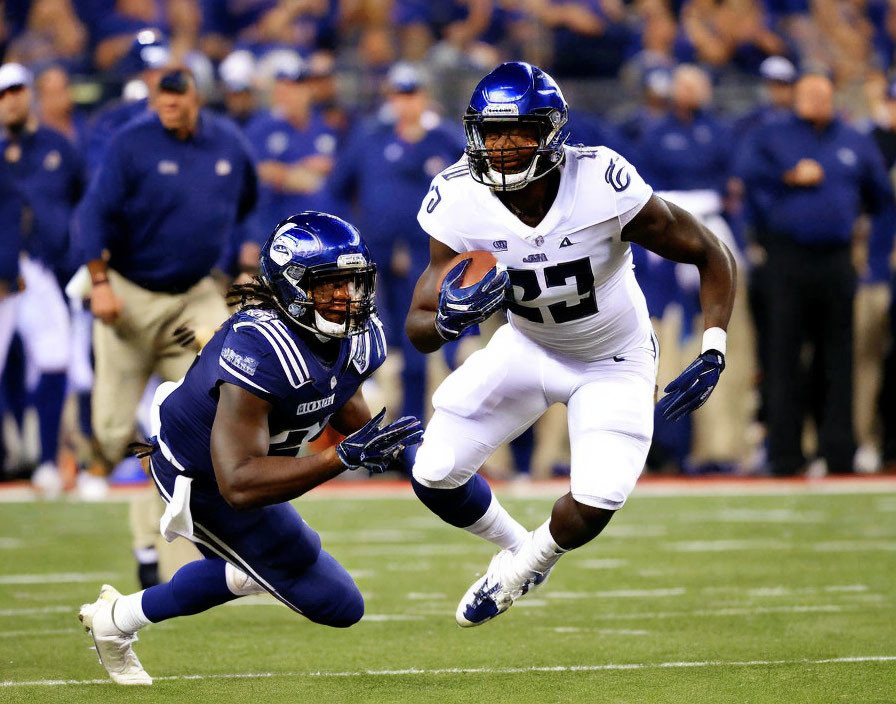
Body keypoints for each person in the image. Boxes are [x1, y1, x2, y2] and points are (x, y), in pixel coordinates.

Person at [405, 62, 736, 626]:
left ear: (552, 131)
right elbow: (418, 323)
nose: (503, 146)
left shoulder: (600, 182)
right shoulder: (458, 196)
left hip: (614, 360)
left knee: (599, 498)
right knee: (433, 472)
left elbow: (709, 252)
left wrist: (714, 346)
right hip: (528, 347)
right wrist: (448, 319)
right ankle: (519, 552)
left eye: (520, 131)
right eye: (492, 132)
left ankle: (525, 567)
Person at [78, 212, 423, 686]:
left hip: (251, 465)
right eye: (331, 286)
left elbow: (341, 397)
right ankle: (116, 621)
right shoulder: (259, 349)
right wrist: (338, 457)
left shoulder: (345, 334)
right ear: (294, 285)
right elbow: (238, 484)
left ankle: (115, 617)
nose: (349, 298)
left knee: (320, 593)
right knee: (336, 604)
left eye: (354, 283)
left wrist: (411, 456)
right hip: (202, 477)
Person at [76, 67, 258, 587]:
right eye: (163, 96)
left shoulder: (228, 143)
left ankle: (213, 521)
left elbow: (249, 206)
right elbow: (92, 214)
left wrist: (246, 263)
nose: (169, 104)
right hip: (131, 293)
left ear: (197, 96)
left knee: (219, 395)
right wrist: (100, 280)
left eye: (178, 95)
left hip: (193, 297)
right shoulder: (130, 144)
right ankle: (130, 512)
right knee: (112, 430)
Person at [739, 72, 894, 476]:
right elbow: (746, 177)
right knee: (783, 354)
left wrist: (852, 217)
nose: (814, 100)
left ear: (832, 97)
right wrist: (787, 178)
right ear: (796, 97)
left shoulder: (853, 139)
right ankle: (785, 454)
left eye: (821, 94)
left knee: (839, 356)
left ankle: (839, 450)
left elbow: (879, 192)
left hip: (837, 259)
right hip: (786, 257)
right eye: (807, 93)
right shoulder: (771, 134)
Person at [328, 62, 463, 424]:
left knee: (418, 346)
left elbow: (470, 195)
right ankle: (369, 436)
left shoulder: (446, 140)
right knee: (367, 344)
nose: (406, 103)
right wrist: (353, 238)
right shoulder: (370, 137)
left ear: (425, 96)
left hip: (426, 258)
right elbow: (336, 189)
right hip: (372, 260)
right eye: (399, 95)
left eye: (412, 94)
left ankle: (412, 433)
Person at [0, 62, 85, 495]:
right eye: (2, 93)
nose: (10, 99)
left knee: (56, 359)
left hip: (40, 269)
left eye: (15, 90)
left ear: (28, 93)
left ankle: (49, 461)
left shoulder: (58, 147)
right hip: (2, 272)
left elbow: (81, 200)